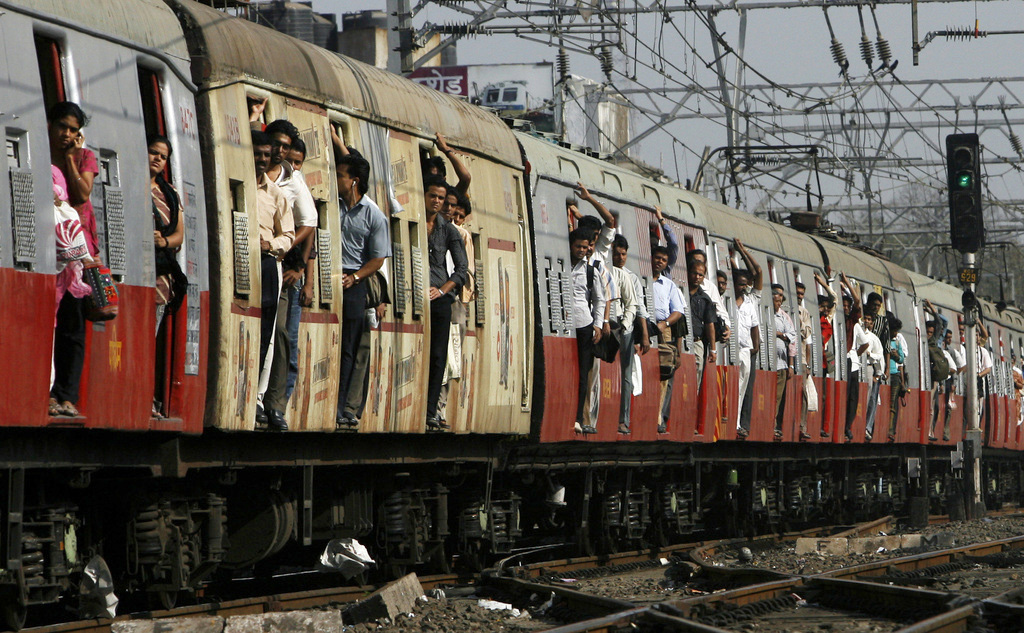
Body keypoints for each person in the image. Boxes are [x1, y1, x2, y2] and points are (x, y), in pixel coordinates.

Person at [259, 120, 317, 431]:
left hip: (280, 265)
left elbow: (309, 223)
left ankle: (271, 403)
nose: (280, 151)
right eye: (277, 145)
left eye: (286, 147)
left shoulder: (292, 181)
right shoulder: (254, 171)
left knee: (279, 333)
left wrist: (285, 249)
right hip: (252, 261)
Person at [49, 102, 99, 419]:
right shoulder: (39, 153)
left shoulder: (85, 157)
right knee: (50, 323)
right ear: (50, 125)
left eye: (73, 130)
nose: (66, 134)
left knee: (72, 327)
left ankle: (67, 395)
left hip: (77, 254)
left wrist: (70, 159)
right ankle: (48, 391)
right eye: (62, 127)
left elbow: (81, 195)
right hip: (48, 250)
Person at [334, 153, 390, 429]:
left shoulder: (374, 215)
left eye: (340, 175)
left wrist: (355, 277)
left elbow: (377, 259)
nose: (336, 179)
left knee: (349, 347)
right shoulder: (331, 205)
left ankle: (342, 404)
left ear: (354, 181)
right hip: (329, 275)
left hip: (354, 284)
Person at [252, 131, 295, 429]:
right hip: (240, 260)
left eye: (266, 155)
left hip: (268, 263)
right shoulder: (239, 186)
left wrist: (271, 245)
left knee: (268, 331)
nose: (262, 159)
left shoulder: (276, 194)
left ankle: (257, 396)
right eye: (258, 153)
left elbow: (289, 235)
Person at [423, 177, 469, 430]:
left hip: (439, 299)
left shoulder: (449, 231)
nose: (437, 202)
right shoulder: (415, 221)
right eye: (433, 196)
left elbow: (462, 270)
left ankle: (430, 410)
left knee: (438, 355)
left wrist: (442, 290)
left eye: (441, 198)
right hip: (415, 293)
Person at [149, 136, 187, 418]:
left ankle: (147, 396)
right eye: (153, 152)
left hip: (161, 277)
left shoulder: (169, 194)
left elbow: (179, 236)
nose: (157, 159)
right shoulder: (132, 182)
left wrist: (164, 241)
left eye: (162, 156)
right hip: (135, 272)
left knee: (150, 337)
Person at [437, 192, 475, 424]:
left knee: (449, 355)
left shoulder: (461, 235)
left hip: (453, 300)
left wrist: (461, 302)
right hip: (439, 297)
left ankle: (439, 406)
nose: (452, 213)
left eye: (459, 213)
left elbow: (465, 272)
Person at [611, 235, 650, 434]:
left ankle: (623, 420)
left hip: (625, 329)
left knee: (626, 374)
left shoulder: (631, 277)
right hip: (608, 325)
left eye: (623, 254)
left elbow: (638, 307)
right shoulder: (605, 272)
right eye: (617, 254)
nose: (620, 258)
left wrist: (644, 335)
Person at [569, 228, 605, 434]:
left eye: (585, 247)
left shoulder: (591, 271)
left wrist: (597, 325)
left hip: (584, 324)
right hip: (565, 323)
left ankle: (577, 418)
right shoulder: (562, 264)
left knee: (583, 373)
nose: (582, 250)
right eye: (578, 246)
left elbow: (600, 300)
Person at [653, 245, 685, 434]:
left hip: (663, 330)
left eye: (663, 260)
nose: (659, 262)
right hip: (644, 326)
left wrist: (665, 323)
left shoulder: (668, 285)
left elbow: (678, 311)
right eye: (657, 258)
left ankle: (658, 416)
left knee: (663, 374)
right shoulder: (642, 278)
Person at [734, 270, 761, 439]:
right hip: (730, 349)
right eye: (740, 284)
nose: (743, 288)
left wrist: (755, 347)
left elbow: (754, 326)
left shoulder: (749, 304)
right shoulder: (727, 301)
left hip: (745, 349)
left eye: (745, 284)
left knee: (741, 388)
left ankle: (737, 423)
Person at [771, 285, 797, 439]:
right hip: (767, 363)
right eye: (776, 295)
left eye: (781, 297)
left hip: (781, 363)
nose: (779, 299)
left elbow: (792, 338)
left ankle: (774, 425)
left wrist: (791, 364)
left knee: (778, 397)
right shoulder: (766, 313)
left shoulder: (784, 317)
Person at [686, 254, 717, 384]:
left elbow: (710, 324)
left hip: (696, 341)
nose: (697, 277)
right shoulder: (679, 291)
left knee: (696, 374)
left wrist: (713, 349)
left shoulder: (705, 299)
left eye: (700, 275)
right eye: (694, 273)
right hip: (681, 340)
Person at [923, 301, 950, 441]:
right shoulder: (924, 342)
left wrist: (930, 308)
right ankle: (928, 431)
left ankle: (930, 431)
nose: (929, 335)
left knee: (932, 405)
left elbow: (940, 322)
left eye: (931, 333)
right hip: (924, 375)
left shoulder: (934, 341)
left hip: (933, 376)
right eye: (927, 332)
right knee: (929, 404)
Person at [840, 273, 862, 440]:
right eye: (844, 305)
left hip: (852, 360)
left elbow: (858, 301)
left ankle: (848, 426)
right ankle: (843, 425)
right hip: (842, 359)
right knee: (846, 394)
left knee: (853, 396)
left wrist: (847, 283)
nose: (846, 308)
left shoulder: (851, 320)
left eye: (848, 306)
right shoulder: (838, 319)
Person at [859, 313, 885, 441]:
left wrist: (878, 374)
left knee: (869, 397)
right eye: (865, 318)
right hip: (856, 365)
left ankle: (865, 426)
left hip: (868, 366)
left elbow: (879, 355)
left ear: (872, 323)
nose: (866, 321)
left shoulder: (874, 338)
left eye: (869, 319)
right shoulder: (857, 332)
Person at [795, 281, 815, 440]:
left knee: (803, 394)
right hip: (785, 357)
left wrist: (808, 364)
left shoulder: (804, 313)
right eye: (797, 293)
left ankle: (802, 426)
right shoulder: (784, 309)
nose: (800, 296)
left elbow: (807, 334)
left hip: (800, 358)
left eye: (802, 294)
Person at [886, 317, 906, 442]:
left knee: (893, 403)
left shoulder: (897, 342)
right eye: (894, 331)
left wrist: (896, 356)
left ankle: (891, 429)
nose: (896, 333)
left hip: (895, 375)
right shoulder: (885, 340)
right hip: (886, 374)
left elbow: (902, 359)